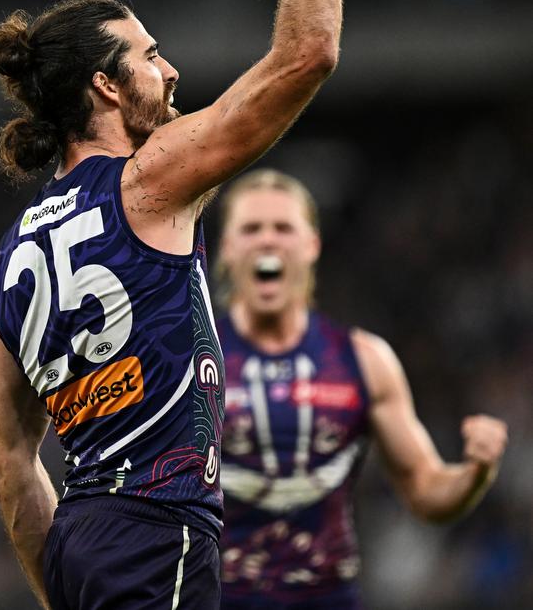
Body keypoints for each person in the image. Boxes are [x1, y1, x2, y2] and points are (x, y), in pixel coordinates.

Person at [0, 0, 346, 610]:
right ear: (105, 86)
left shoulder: (6, 267)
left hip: (87, 543)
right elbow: (306, 53)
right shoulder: (148, 181)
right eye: (147, 55)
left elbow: (7, 466)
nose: (170, 72)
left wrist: (68, 584)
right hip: (157, 532)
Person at [216, 168, 508, 610]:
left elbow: (426, 490)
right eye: (251, 228)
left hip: (328, 599)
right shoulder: (190, 360)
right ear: (227, 247)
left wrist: (475, 473)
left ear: (312, 244)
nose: (268, 241)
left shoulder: (364, 360)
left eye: (283, 228)